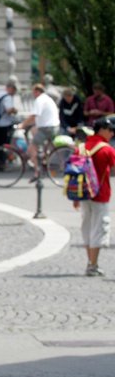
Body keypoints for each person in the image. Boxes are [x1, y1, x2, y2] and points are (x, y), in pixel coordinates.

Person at [73, 118, 115, 277]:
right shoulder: (106, 149)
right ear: (102, 130)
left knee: (87, 228)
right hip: (100, 194)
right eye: (110, 130)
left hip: (82, 194)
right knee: (99, 228)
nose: (112, 133)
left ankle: (90, 262)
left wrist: (75, 197)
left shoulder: (81, 147)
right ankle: (93, 265)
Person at [18, 83, 60, 182]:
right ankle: (42, 155)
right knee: (34, 130)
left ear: (37, 92)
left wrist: (22, 125)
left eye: (33, 92)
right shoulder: (47, 98)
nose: (33, 95)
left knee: (31, 148)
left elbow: (34, 115)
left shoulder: (40, 100)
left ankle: (37, 171)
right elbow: (36, 118)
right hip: (53, 126)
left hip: (47, 128)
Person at [0, 80, 19, 171]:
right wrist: (15, 110)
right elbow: (9, 110)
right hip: (3, 124)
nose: (14, 93)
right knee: (3, 145)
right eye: (14, 91)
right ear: (11, 88)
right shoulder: (7, 97)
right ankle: (1, 163)